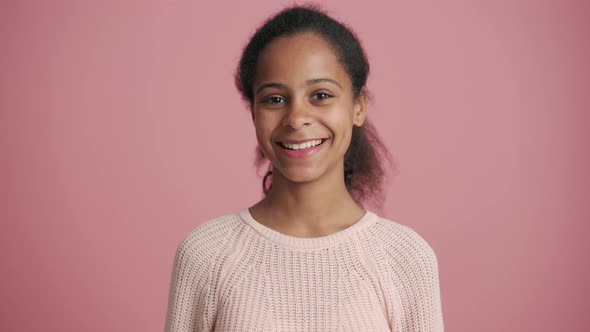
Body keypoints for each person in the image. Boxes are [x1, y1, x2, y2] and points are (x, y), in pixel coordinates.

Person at [164, 4, 444, 332]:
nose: (296, 119)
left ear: (358, 106)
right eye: (274, 99)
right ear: (253, 112)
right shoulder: (206, 254)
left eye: (321, 95)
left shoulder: (406, 258)